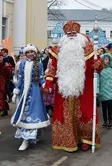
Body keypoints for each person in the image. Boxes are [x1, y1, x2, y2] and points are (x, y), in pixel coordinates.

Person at [43, 21, 103, 152]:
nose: (71, 36)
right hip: (63, 88)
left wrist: (98, 65)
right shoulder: (58, 50)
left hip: (83, 87)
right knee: (65, 115)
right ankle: (67, 140)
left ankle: (86, 139)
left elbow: (95, 64)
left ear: (79, 35)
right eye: (68, 34)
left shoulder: (87, 48)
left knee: (85, 113)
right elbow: (52, 68)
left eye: (73, 33)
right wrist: (48, 82)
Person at [11, 44, 50, 151]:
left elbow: (41, 78)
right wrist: (16, 92)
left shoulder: (40, 64)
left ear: (35, 53)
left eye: (32, 52)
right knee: (24, 113)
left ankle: (28, 139)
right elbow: (20, 79)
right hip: (24, 92)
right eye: (28, 52)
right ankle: (29, 137)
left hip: (35, 92)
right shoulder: (22, 64)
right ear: (25, 54)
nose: (30, 54)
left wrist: (45, 86)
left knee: (34, 113)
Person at [98, 53, 112, 129]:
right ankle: (105, 121)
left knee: (110, 107)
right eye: (105, 59)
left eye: (108, 59)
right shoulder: (99, 70)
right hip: (103, 91)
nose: (107, 61)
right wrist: (97, 90)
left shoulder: (111, 68)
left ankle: (110, 120)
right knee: (104, 107)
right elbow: (97, 81)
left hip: (110, 91)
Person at [0, 52, 13, 118]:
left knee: (1, 97)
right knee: (1, 97)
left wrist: (7, 67)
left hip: (4, 82)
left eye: (1, 57)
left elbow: (9, 73)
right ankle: (5, 110)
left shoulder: (6, 64)